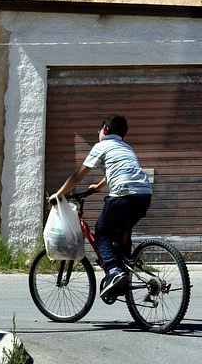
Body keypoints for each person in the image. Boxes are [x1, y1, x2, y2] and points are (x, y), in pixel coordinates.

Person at [49, 114, 152, 301]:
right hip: (144, 195)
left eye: (99, 130)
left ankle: (113, 270)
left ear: (105, 129)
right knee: (121, 231)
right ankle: (124, 268)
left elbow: (78, 176)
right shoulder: (126, 148)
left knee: (102, 232)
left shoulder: (102, 146)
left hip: (123, 194)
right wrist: (98, 186)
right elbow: (120, 170)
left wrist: (59, 194)